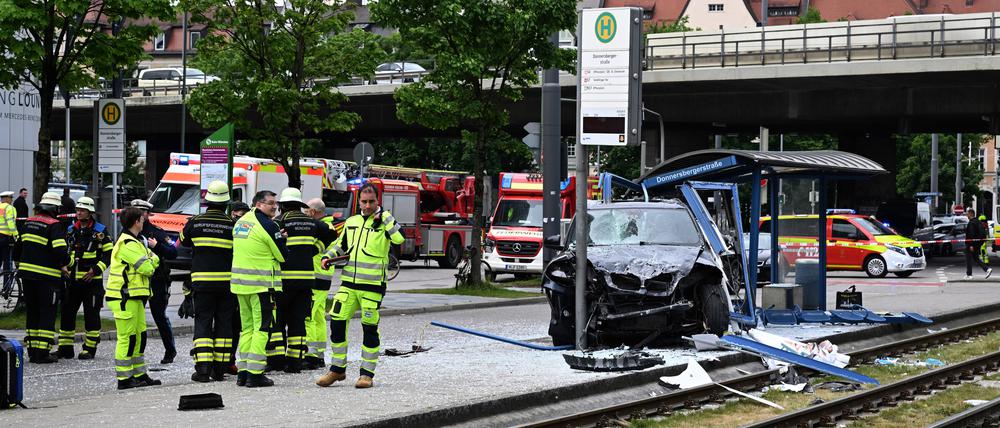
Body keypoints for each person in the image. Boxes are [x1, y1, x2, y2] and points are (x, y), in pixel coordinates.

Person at [316, 182, 403, 389]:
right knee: (336, 323)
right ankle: (337, 370)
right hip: (348, 284)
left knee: (369, 329)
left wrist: (386, 218)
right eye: (363, 201)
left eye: (371, 201)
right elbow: (341, 245)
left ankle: (366, 374)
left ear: (377, 201)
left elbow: (399, 239)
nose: (366, 205)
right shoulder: (352, 221)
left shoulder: (385, 222)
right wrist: (328, 256)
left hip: (372, 286)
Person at [180, 181, 236, 382]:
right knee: (224, 324)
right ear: (226, 202)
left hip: (201, 283)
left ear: (207, 201)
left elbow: (183, 242)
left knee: (203, 322)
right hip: (227, 284)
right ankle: (220, 370)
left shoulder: (195, 222)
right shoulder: (233, 225)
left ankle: (203, 370)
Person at [231, 190, 287, 388]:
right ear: (258, 203)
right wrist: (282, 239)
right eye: (270, 203)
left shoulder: (241, 221)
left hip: (240, 284)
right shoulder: (269, 225)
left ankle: (243, 371)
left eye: (275, 203)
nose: (274, 206)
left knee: (246, 329)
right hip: (261, 285)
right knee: (262, 328)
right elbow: (282, 255)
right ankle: (255, 374)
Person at [272, 189, 329, 373]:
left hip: (283, 282)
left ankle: (278, 360)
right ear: (299, 205)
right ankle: (295, 362)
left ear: (283, 205)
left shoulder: (278, 222)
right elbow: (331, 235)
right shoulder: (311, 222)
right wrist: (314, 249)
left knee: (279, 321)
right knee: (298, 321)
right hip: (305, 282)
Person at [106, 207, 162, 390]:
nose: (145, 220)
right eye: (142, 218)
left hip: (134, 296)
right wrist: (150, 260)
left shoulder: (136, 241)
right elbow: (148, 267)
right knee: (127, 337)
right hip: (124, 297)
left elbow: (154, 259)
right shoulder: (127, 244)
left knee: (140, 336)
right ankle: (124, 378)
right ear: (137, 221)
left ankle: (139, 374)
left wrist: (150, 260)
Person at [17, 192, 69, 363]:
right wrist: (68, 262)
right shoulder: (54, 225)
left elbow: (17, 249)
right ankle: (43, 353)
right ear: (55, 209)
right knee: (47, 312)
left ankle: (32, 351)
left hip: (27, 276)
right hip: (48, 278)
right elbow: (60, 251)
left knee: (32, 311)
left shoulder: (28, 222)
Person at [57, 197, 112, 359]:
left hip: (91, 283)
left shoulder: (100, 231)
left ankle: (89, 348)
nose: (78, 212)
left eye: (82, 210)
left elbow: (109, 255)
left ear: (89, 212)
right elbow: (65, 252)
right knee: (67, 314)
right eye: (77, 210)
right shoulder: (70, 230)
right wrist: (63, 266)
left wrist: (95, 270)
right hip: (72, 281)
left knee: (91, 315)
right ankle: (65, 348)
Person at [130, 199, 179, 363]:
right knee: (136, 318)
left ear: (146, 214)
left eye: (140, 212)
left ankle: (170, 351)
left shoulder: (156, 232)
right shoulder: (129, 232)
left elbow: (173, 252)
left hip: (157, 280)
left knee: (159, 315)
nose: (137, 215)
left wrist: (157, 246)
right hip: (136, 282)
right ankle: (136, 352)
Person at [303, 198, 337, 369]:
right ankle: (318, 355)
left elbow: (309, 250)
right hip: (323, 278)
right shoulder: (329, 227)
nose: (305, 214)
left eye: (307, 211)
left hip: (315, 277)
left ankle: (310, 355)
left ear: (314, 212)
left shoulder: (322, 229)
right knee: (318, 317)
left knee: (308, 316)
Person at [965, 209, 993, 280]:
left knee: (968, 258)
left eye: (967, 214)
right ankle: (987, 269)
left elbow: (971, 234)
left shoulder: (971, 223)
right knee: (976, 258)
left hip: (971, 244)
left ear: (970, 214)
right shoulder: (978, 222)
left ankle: (969, 275)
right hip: (977, 244)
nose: (966, 215)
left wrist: (971, 245)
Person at [0, 191, 18, 274]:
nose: (12, 200)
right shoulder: (9, 208)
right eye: (11, 198)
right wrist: (16, 235)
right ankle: (6, 286)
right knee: (7, 262)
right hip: (5, 237)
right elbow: (10, 223)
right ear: (6, 198)